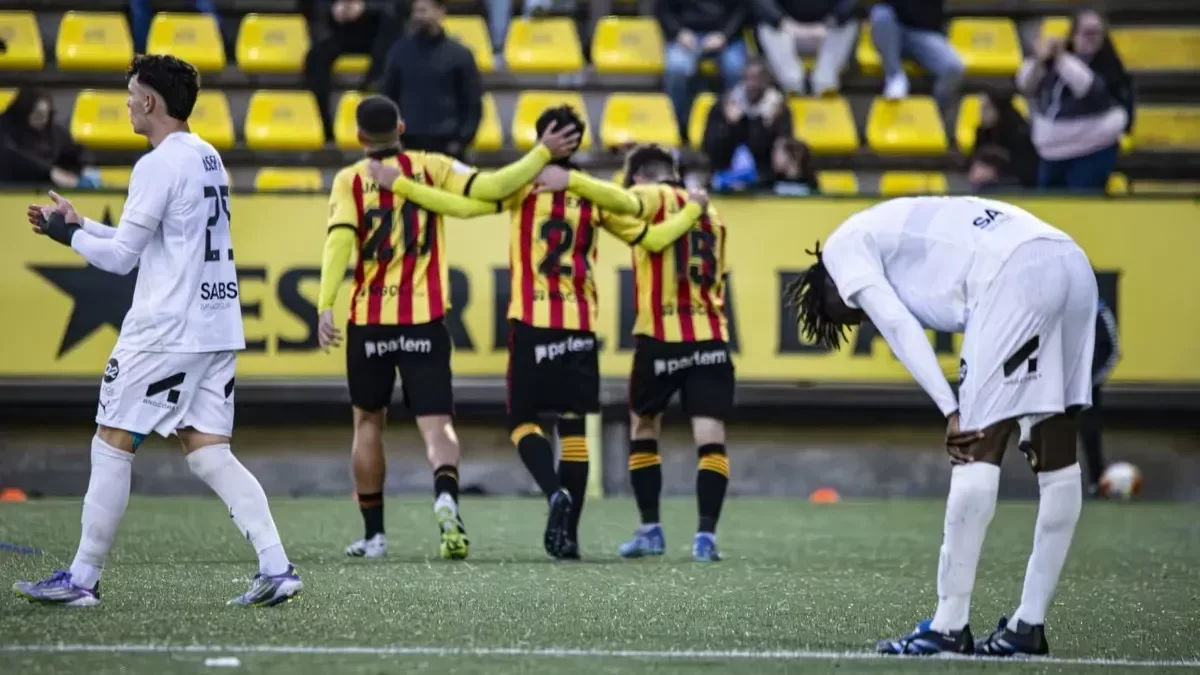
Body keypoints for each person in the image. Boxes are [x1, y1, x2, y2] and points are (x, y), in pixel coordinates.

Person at [13, 55, 303, 608]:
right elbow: (150, 237)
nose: (125, 103)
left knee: (111, 441)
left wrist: (64, 238)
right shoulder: (206, 156)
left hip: (165, 330)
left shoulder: (158, 164)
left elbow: (122, 259)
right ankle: (276, 566)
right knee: (209, 452)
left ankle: (82, 577)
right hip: (216, 326)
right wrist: (80, 223)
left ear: (150, 101)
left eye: (130, 94)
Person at [369, 107, 707, 560]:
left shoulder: (522, 184)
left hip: (532, 321)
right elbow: (649, 237)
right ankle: (569, 536)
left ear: (542, 136)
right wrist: (694, 211)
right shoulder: (592, 193)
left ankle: (552, 494)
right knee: (573, 430)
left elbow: (463, 206)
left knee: (522, 422)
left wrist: (403, 187)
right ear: (580, 140)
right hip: (580, 325)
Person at [784, 197, 1097, 657]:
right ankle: (1027, 626)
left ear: (827, 282)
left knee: (974, 447)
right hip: (1071, 259)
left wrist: (950, 408)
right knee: (1057, 453)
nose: (856, 314)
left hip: (1013, 272)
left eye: (844, 311)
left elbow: (896, 323)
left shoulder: (842, 247)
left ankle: (948, 627)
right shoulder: (892, 226)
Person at [317, 95, 581, 560]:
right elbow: (493, 187)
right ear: (402, 128)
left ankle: (375, 536)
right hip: (424, 318)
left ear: (359, 138)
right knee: (437, 426)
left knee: (367, 423)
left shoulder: (348, 180)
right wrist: (541, 152)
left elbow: (339, 241)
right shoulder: (433, 166)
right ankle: (445, 499)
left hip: (369, 321)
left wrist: (325, 305)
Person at [539, 145, 734, 562]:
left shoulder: (654, 196)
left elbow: (622, 201)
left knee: (644, 427)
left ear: (643, 178)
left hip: (660, 335)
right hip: (711, 336)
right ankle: (706, 537)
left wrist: (571, 180)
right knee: (710, 438)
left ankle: (651, 529)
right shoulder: (713, 215)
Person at [1018, 9, 1134, 192]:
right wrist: (1040, 59)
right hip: (1050, 153)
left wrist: (1061, 57)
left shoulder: (1107, 65)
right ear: (1073, 35)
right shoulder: (1050, 62)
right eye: (1087, 33)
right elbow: (1025, 85)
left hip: (1091, 150)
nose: (1092, 38)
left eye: (1097, 33)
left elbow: (1088, 88)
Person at [381, 0, 482, 158]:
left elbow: (473, 102)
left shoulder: (460, 55)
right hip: (409, 143)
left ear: (440, 12)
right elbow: (388, 97)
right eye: (416, 11)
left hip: (448, 144)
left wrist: (461, 141)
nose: (418, 16)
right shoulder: (399, 52)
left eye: (423, 11)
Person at [304, 0, 408, 141]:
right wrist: (332, 8)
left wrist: (366, 7)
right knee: (315, 58)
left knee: (393, 28)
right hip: (338, 30)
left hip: (377, 33)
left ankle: (376, 85)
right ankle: (325, 126)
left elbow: (401, 5)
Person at [657, 0, 750, 143]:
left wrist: (725, 35)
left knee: (735, 67)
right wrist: (678, 32)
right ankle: (681, 127)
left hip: (726, 35)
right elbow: (662, 10)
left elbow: (742, 10)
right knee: (677, 69)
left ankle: (733, 127)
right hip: (685, 34)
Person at [703, 59, 792, 190]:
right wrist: (729, 125)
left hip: (765, 177)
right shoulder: (724, 104)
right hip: (724, 172)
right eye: (749, 78)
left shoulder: (779, 109)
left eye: (758, 79)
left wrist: (769, 125)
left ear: (767, 81)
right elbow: (709, 147)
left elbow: (779, 155)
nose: (753, 85)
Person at [753, 0, 859, 96]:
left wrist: (832, 21)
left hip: (827, 30)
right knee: (767, 27)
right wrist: (782, 22)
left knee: (848, 24)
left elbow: (849, 3)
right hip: (786, 28)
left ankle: (825, 82)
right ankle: (791, 82)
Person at [869, 0, 963, 106]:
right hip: (891, 29)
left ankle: (935, 115)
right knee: (880, 14)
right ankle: (894, 76)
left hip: (925, 32)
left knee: (953, 68)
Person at [0, 87, 98, 188]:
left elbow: (77, 151)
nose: (43, 119)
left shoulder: (53, 131)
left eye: (46, 114)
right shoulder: (5, 126)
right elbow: (10, 155)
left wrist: (87, 167)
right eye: (38, 114)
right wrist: (50, 172)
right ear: (24, 111)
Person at [1080, 297, 1119, 496]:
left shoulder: (1099, 311)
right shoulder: (1056, 307)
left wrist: (1092, 380)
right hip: (1057, 385)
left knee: (1090, 432)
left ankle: (1096, 481)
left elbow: (1113, 350)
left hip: (1088, 388)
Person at [967, 87, 1038, 191]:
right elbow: (974, 158)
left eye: (986, 108)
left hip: (1014, 184)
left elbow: (1025, 170)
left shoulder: (1019, 133)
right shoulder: (983, 131)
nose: (981, 113)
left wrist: (994, 172)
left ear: (998, 110)